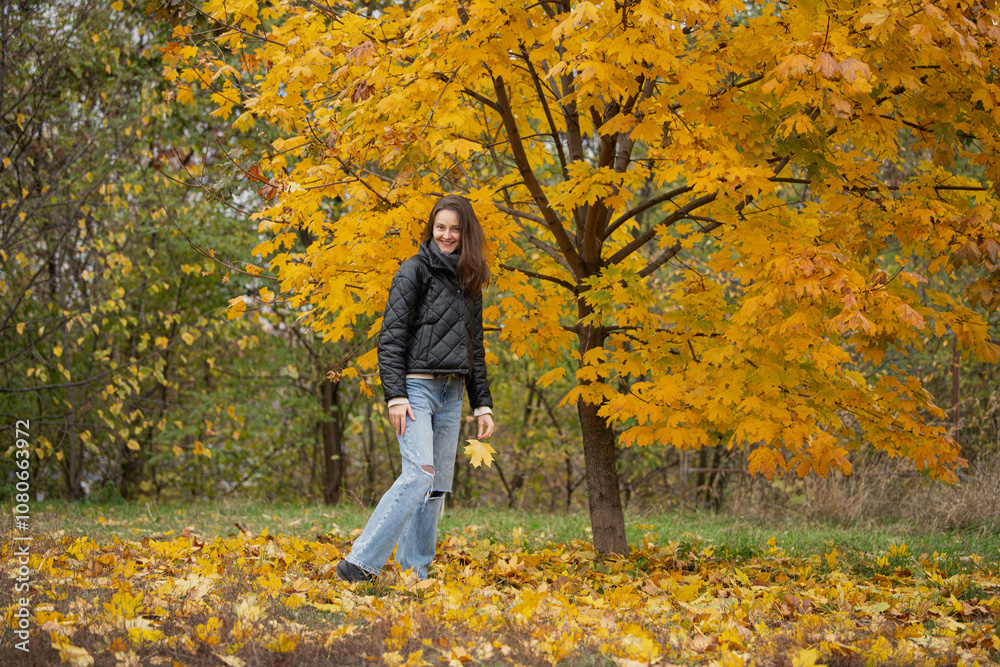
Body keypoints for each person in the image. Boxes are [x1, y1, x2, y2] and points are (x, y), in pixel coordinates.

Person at [336, 195, 495, 582]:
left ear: (465, 233)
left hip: (452, 392)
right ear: (431, 229)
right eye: (440, 227)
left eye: (455, 229)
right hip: (416, 389)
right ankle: (359, 562)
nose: (447, 235)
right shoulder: (414, 271)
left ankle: (414, 573)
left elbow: (474, 346)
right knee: (419, 473)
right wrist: (396, 395)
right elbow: (390, 339)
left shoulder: (469, 279)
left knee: (436, 487)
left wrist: (483, 405)